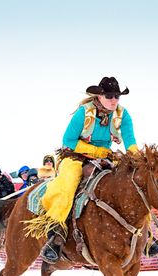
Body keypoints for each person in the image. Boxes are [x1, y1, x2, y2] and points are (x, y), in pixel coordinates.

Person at [39, 77, 141, 264]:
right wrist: (95, 150)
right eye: (109, 96)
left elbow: (130, 141)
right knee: (68, 183)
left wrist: (136, 157)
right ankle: (56, 235)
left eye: (117, 96)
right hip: (74, 156)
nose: (113, 100)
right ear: (99, 96)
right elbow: (68, 141)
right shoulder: (83, 113)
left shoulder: (123, 115)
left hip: (106, 157)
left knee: (132, 181)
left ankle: (147, 236)